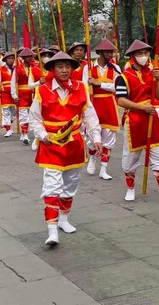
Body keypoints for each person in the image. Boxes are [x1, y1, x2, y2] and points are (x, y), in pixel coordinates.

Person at [29, 51, 102, 245]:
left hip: (74, 145)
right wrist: (43, 135)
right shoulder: (42, 90)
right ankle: (52, 230)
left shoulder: (81, 88)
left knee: (71, 185)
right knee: (51, 187)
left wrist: (96, 137)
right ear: (52, 69)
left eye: (67, 66)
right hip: (51, 144)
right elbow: (34, 118)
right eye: (60, 66)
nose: (64, 70)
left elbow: (90, 115)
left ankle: (63, 219)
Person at [115, 40, 159, 203]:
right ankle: (130, 188)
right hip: (134, 120)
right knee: (131, 156)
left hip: (152, 119)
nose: (144, 56)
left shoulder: (152, 73)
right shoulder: (124, 77)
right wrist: (141, 107)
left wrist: (158, 79)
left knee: (157, 153)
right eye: (140, 54)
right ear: (132, 56)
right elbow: (121, 101)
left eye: (146, 53)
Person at [82, 39, 119, 180]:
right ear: (100, 53)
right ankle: (92, 157)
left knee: (109, 138)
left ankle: (104, 168)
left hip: (110, 104)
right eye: (108, 52)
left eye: (112, 52)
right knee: (92, 135)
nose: (111, 54)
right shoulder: (89, 68)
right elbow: (84, 87)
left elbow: (117, 87)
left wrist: (99, 84)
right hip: (94, 103)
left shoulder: (116, 68)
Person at [16, 48, 39, 145]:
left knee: (35, 114)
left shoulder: (36, 67)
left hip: (34, 93)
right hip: (22, 93)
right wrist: (14, 95)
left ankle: (36, 135)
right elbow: (14, 82)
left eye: (31, 56)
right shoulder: (17, 68)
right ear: (23, 58)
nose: (30, 58)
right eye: (27, 57)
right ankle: (24, 134)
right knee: (23, 114)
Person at [0, 52, 19, 138]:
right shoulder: (1, 69)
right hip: (4, 93)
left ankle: (9, 123)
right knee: (5, 111)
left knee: (15, 113)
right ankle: (8, 129)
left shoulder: (17, 69)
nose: (11, 60)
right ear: (6, 60)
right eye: (9, 58)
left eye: (12, 58)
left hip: (15, 93)